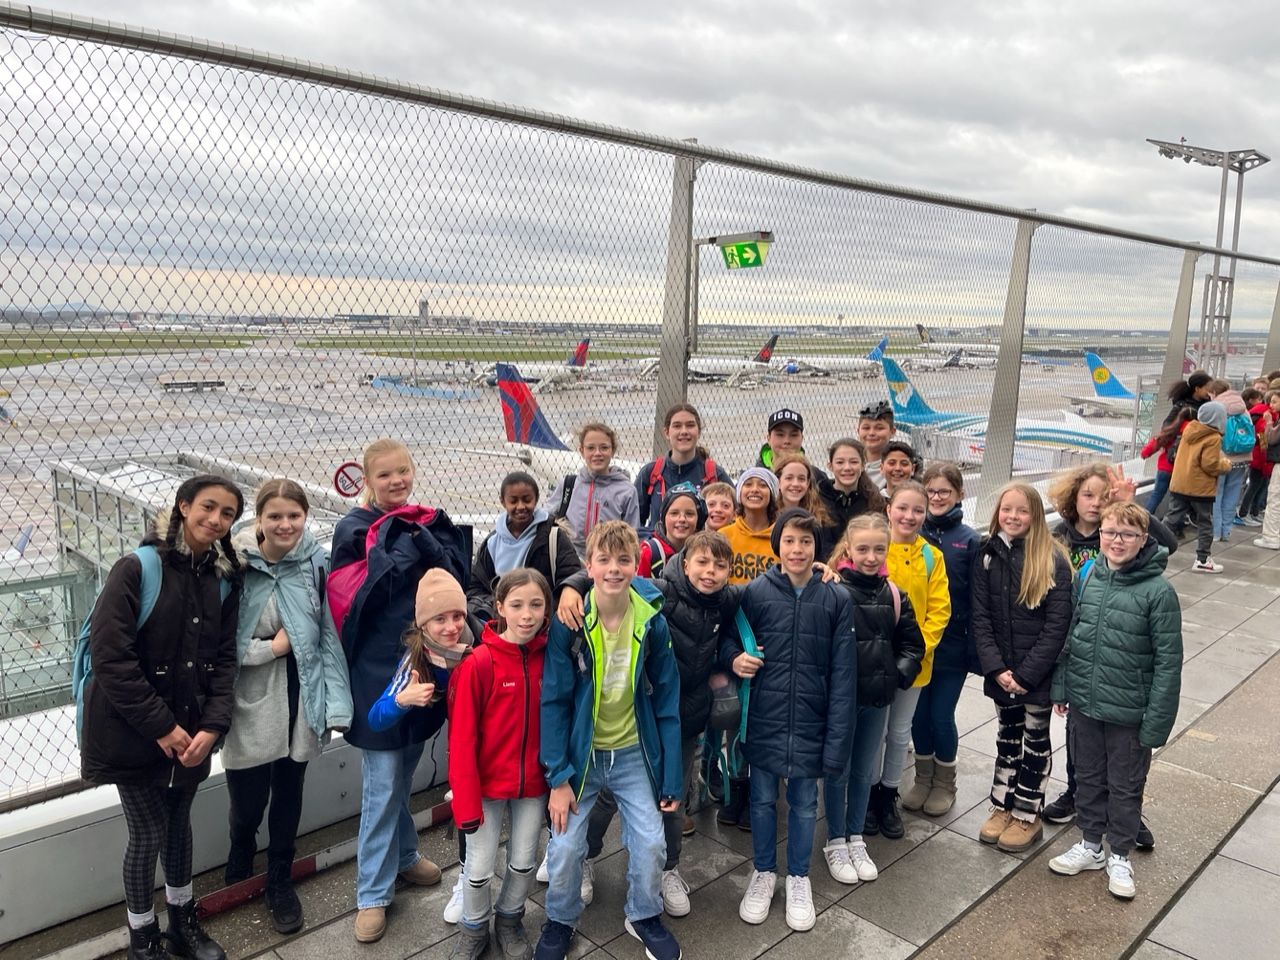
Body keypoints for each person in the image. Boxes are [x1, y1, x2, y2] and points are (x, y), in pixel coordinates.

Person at [80, 475, 244, 960]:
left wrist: (212, 726)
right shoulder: (137, 568)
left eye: (228, 514)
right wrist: (163, 727)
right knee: (147, 832)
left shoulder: (223, 578)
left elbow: (225, 660)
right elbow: (112, 660)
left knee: (178, 827)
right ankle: (143, 937)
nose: (216, 520)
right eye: (208, 507)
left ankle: (182, 924)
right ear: (183, 506)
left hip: (191, 731)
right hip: (132, 731)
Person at [557, 529, 741, 918]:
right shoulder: (662, 592)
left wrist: (821, 571)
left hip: (682, 716)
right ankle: (587, 855)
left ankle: (667, 869)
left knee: (674, 798)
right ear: (684, 564)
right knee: (607, 797)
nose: (709, 572)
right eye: (702, 562)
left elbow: (761, 596)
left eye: (719, 565)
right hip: (642, 716)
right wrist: (572, 585)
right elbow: (613, 573)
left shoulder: (725, 600)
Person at [334, 438, 469, 944]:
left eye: (402, 472)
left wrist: (423, 542)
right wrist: (404, 548)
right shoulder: (353, 530)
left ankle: (405, 855)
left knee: (404, 773)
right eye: (385, 475)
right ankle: (372, 893)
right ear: (368, 480)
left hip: (424, 664)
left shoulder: (425, 520)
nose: (396, 481)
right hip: (378, 671)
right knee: (382, 784)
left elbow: (454, 579)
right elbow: (355, 599)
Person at [534, 521, 683, 960]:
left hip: (633, 752)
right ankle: (560, 920)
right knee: (564, 846)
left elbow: (668, 700)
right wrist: (558, 778)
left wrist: (671, 776)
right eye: (604, 560)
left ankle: (643, 914)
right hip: (584, 756)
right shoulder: (571, 623)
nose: (614, 569)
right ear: (589, 566)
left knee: (651, 842)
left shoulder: (652, 621)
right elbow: (554, 701)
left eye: (624, 560)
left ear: (636, 565)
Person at [222, 479, 353, 935]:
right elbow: (218, 643)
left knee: (288, 792)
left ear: (305, 517)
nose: (285, 524)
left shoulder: (315, 562)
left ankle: (279, 876)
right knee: (247, 799)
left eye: (293, 516)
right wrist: (270, 650)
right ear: (259, 518)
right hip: (251, 698)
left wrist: (337, 704)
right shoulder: (234, 566)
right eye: (274, 516)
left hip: (302, 694)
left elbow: (327, 634)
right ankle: (241, 854)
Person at [726, 509, 856, 932]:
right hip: (765, 718)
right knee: (762, 800)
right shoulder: (755, 592)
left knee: (803, 803)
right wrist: (734, 658)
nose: (797, 549)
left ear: (817, 547)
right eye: (789, 540)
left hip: (812, 722)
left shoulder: (836, 598)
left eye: (805, 541)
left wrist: (837, 741)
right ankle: (764, 871)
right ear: (776, 545)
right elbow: (727, 634)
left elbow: (844, 676)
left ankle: (798, 877)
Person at [1049, 502, 1182, 900]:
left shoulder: (1158, 592)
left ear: (1144, 540)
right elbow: (1071, 636)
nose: (1117, 541)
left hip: (1129, 712)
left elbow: (1168, 663)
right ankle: (1090, 844)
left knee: (1125, 785)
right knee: (1088, 776)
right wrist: (1062, 687)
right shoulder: (1089, 576)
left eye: (1127, 534)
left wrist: (1156, 722)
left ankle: (1120, 853)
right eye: (1109, 532)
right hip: (1086, 704)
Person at [1042, 462, 1174, 841]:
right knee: (1081, 741)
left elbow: (1166, 545)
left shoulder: (1124, 540)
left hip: (1120, 657)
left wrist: (1132, 505)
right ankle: (1078, 795)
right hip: (1080, 654)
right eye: (1088, 495)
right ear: (1074, 497)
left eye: (1104, 497)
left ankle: (1125, 816)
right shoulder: (1059, 537)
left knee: (1124, 755)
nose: (1096, 503)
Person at [444, 569, 552, 960]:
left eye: (536, 605)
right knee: (478, 868)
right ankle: (474, 927)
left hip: (532, 785)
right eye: (517, 605)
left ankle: (509, 919)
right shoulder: (479, 664)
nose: (527, 615)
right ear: (500, 607)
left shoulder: (549, 658)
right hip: (486, 788)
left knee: (524, 862)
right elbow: (461, 741)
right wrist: (465, 803)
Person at [972, 482, 1073, 853]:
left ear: (1036, 516)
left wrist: (1027, 675)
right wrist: (996, 668)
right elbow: (980, 618)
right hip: (1003, 673)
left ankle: (1027, 813)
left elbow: (1056, 627)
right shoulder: (988, 554)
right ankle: (1002, 805)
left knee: (1035, 741)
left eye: (1022, 511)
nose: (1012, 517)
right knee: (1007, 738)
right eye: (1006, 509)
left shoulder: (1053, 559)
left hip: (1035, 675)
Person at [823, 514, 925, 885]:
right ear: (848, 549)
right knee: (838, 770)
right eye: (863, 549)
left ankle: (855, 836)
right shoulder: (833, 592)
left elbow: (912, 644)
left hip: (876, 699)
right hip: (840, 701)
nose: (870, 557)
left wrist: (894, 676)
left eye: (878, 549)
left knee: (864, 770)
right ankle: (835, 840)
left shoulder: (894, 594)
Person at [867, 481, 950, 840]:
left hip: (913, 664)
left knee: (900, 732)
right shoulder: (875, 548)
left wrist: (916, 653)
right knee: (874, 732)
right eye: (902, 508)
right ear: (889, 509)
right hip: (873, 661)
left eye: (918, 510)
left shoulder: (932, 557)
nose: (909, 516)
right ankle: (868, 793)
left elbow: (939, 611)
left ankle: (888, 794)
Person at [906, 462, 980, 818]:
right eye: (931, 491)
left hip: (951, 646)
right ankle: (923, 778)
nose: (936, 498)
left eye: (944, 492)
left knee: (940, 715)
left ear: (959, 494)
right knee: (918, 716)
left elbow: (977, 598)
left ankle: (945, 782)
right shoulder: (912, 536)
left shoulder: (970, 541)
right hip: (916, 646)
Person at [467, 471, 582, 622]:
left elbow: (572, 574)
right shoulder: (492, 543)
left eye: (527, 500)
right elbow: (475, 587)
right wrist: (500, 610)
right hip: (503, 623)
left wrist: (567, 590)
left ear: (536, 499)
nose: (521, 506)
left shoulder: (553, 537)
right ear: (503, 501)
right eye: (513, 501)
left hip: (542, 624)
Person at [635, 403, 731, 537]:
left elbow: (735, 517)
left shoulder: (714, 474)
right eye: (677, 426)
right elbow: (635, 522)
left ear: (699, 431)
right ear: (667, 432)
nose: (684, 431)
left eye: (690, 425)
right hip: (659, 548)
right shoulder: (651, 473)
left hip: (700, 548)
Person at [548, 422, 639, 558]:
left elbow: (633, 537)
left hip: (608, 558)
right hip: (570, 558)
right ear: (581, 451)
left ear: (613, 450)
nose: (597, 453)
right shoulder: (568, 484)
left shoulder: (627, 491)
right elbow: (547, 517)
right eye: (590, 448)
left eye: (604, 448)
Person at [1166, 401, 1233, 573]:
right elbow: (1210, 464)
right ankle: (1202, 559)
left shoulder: (1189, 429)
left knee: (1172, 519)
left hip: (1179, 484)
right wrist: (1225, 465)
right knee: (1205, 523)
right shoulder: (1213, 438)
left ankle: (1150, 548)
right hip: (1200, 488)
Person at [1147, 371, 1212, 513]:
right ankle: (1147, 520)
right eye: (1207, 388)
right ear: (1197, 389)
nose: (1210, 391)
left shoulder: (1207, 406)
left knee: (1166, 496)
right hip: (1179, 460)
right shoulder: (1182, 406)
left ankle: (1150, 520)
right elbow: (1167, 427)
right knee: (1170, 496)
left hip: (1183, 461)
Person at [817, 437, 886, 551]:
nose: (847, 468)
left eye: (853, 462)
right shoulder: (818, 500)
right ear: (830, 466)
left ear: (863, 466)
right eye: (840, 462)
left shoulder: (875, 501)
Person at [1206, 379, 1253, 542]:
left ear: (1213, 393)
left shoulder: (1216, 407)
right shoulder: (1243, 407)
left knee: (1217, 495)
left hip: (1221, 458)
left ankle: (1216, 532)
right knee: (1232, 494)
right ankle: (1226, 531)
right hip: (1242, 458)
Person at [721, 467, 781, 585]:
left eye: (763, 485)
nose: (754, 489)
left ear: (772, 494)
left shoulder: (781, 538)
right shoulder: (724, 535)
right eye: (748, 484)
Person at [772, 453, 834, 554]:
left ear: (808, 483)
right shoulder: (767, 515)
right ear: (778, 481)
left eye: (801, 479)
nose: (795, 484)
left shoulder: (820, 518)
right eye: (789, 478)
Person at [638, 488, 706, 577]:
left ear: (699, 520)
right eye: (674, 513)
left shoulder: (706, 553)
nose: (682, 519)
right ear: (663, 518)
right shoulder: (649, 552)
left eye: (689, 514)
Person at [1235, 388, 1273, 527]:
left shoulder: (1261, 412)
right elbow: (1262, 435)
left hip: (1259, 454)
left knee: (1259, 484)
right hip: (1260, 456)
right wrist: (1265, 451)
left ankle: (1252, 512)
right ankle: (1244, 513)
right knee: (1255, 485)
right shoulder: (1266, 415)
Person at [756, 409, 824, 480]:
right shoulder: (755, 478)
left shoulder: (817, 477)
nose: (787, 441)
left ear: (802, 438)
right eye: (780, 435)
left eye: (793, 435)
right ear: (768, 438)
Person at [1254, 392, 1280, 550]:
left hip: (1269, 460)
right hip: (1266, 460)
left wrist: (1269, 423)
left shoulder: (1268, 418)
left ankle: (1271, 537)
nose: (1271, 405)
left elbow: (1268, 439)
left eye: (1275, 401)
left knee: (1274, 498)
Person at [857, 401, 896, 487]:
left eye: (879, 428)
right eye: (866, 428)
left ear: (892, 432)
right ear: (858, 431)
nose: (871, 433)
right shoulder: (851, 463)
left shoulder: (898, 468)